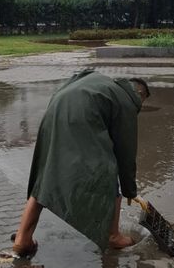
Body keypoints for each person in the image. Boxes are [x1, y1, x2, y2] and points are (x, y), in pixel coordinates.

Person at [12, 69, 150, 257]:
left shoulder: (102, 82)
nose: (139, 108)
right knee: (109, 171)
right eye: (142, 104)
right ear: (139, 93)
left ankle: (22, 240)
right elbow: (125, 152)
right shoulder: (126, 102)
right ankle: (113, 236)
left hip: (55, 110)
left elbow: (76, 77)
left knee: (46, 178)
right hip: (79, 120)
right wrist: (130, 191)